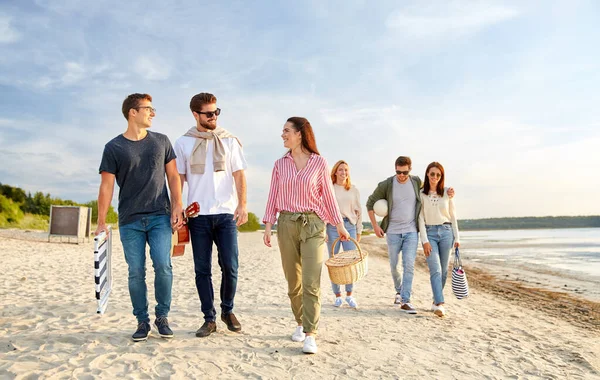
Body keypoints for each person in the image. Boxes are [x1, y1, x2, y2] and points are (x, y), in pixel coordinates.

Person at [95, 93, 183, 342]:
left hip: (159, 216)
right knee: (135, 271)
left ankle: (162, 317)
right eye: (148, 109)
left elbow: (173, 176)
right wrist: (102, 221)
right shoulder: (113, 147)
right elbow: (106, 187)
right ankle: (142, 321)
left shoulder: (161, 141)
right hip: (130, 219)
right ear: (132, 112)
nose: (152, 113)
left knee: (163, 266)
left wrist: (178, 205)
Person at [262, 117, 350, 355]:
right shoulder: (280, 164)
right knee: (294, 282)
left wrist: (339, 225)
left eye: (286, 131)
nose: (283, 135)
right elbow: (273, 195)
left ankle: (310, 334)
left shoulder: (319, 162)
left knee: (311, 281)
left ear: (300, 134)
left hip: (313, 224)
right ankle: (300, 323)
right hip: (286, 223)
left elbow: (329, 197)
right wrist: (269, 224)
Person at [174, 92, 248, 338]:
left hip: (226, 213)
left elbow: (239, 174)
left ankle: (228, 310)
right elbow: (179, 178)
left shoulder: (229, 141)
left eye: (217, 112)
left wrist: (243, 205)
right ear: (195, 115)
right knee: (202, 269)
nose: (214, 116)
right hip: (198, 216)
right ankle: (209, 318)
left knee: (230, 265)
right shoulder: (183, 143)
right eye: (208, 113)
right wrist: (177, 207)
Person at [366, 156, 454, 314]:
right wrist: (375, 226)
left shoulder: (415, 182)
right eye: (398, 172)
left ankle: (406, 300)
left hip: (411, 231)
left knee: (409, 266)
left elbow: (432, 187)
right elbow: (370, 203)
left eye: (404, 172)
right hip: (392, 231)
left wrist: (448, 191)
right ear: (395, 169)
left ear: (410, 170)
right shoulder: (386, 184)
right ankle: (399, 291)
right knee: (394, 266)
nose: (401, 175)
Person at [418, 162, 460, 317]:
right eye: (432, 174)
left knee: (443, 272)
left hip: (447, 232)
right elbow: (420, 218)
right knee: (435, 269)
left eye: (438, 174)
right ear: (427, 175)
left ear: (441, 176)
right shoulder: (421, 194)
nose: (435, 177)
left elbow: (453, 215)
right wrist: (425, 241)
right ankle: (440, 303)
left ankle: (435, 301)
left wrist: (457, 237)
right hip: (430, 233)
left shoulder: (447, 193)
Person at [326, 160, 362, 308]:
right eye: (340, 170)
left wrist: (359, 231)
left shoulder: (353, 190)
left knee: (349, 263)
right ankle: (337, 296)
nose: (343, 173)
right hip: (333, 227)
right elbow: (324, 209)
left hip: (350, 226)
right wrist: (324, 230)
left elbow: (359, 212)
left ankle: (349, 294)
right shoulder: (330, 188)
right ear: (335, 172)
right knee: (334, 262)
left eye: (346, 170)